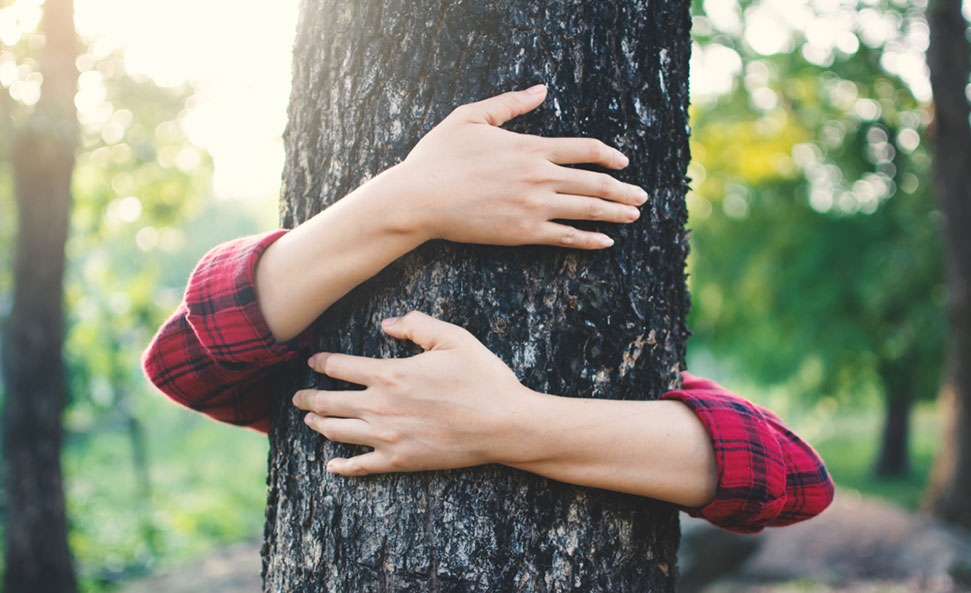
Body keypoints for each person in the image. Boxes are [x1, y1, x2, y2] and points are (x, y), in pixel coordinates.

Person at [142, 85, 834, 535]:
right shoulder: (345, 391)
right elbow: (184, 363)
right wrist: (408, 202)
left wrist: (510, 423)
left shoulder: (354, 397)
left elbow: (793, 476)